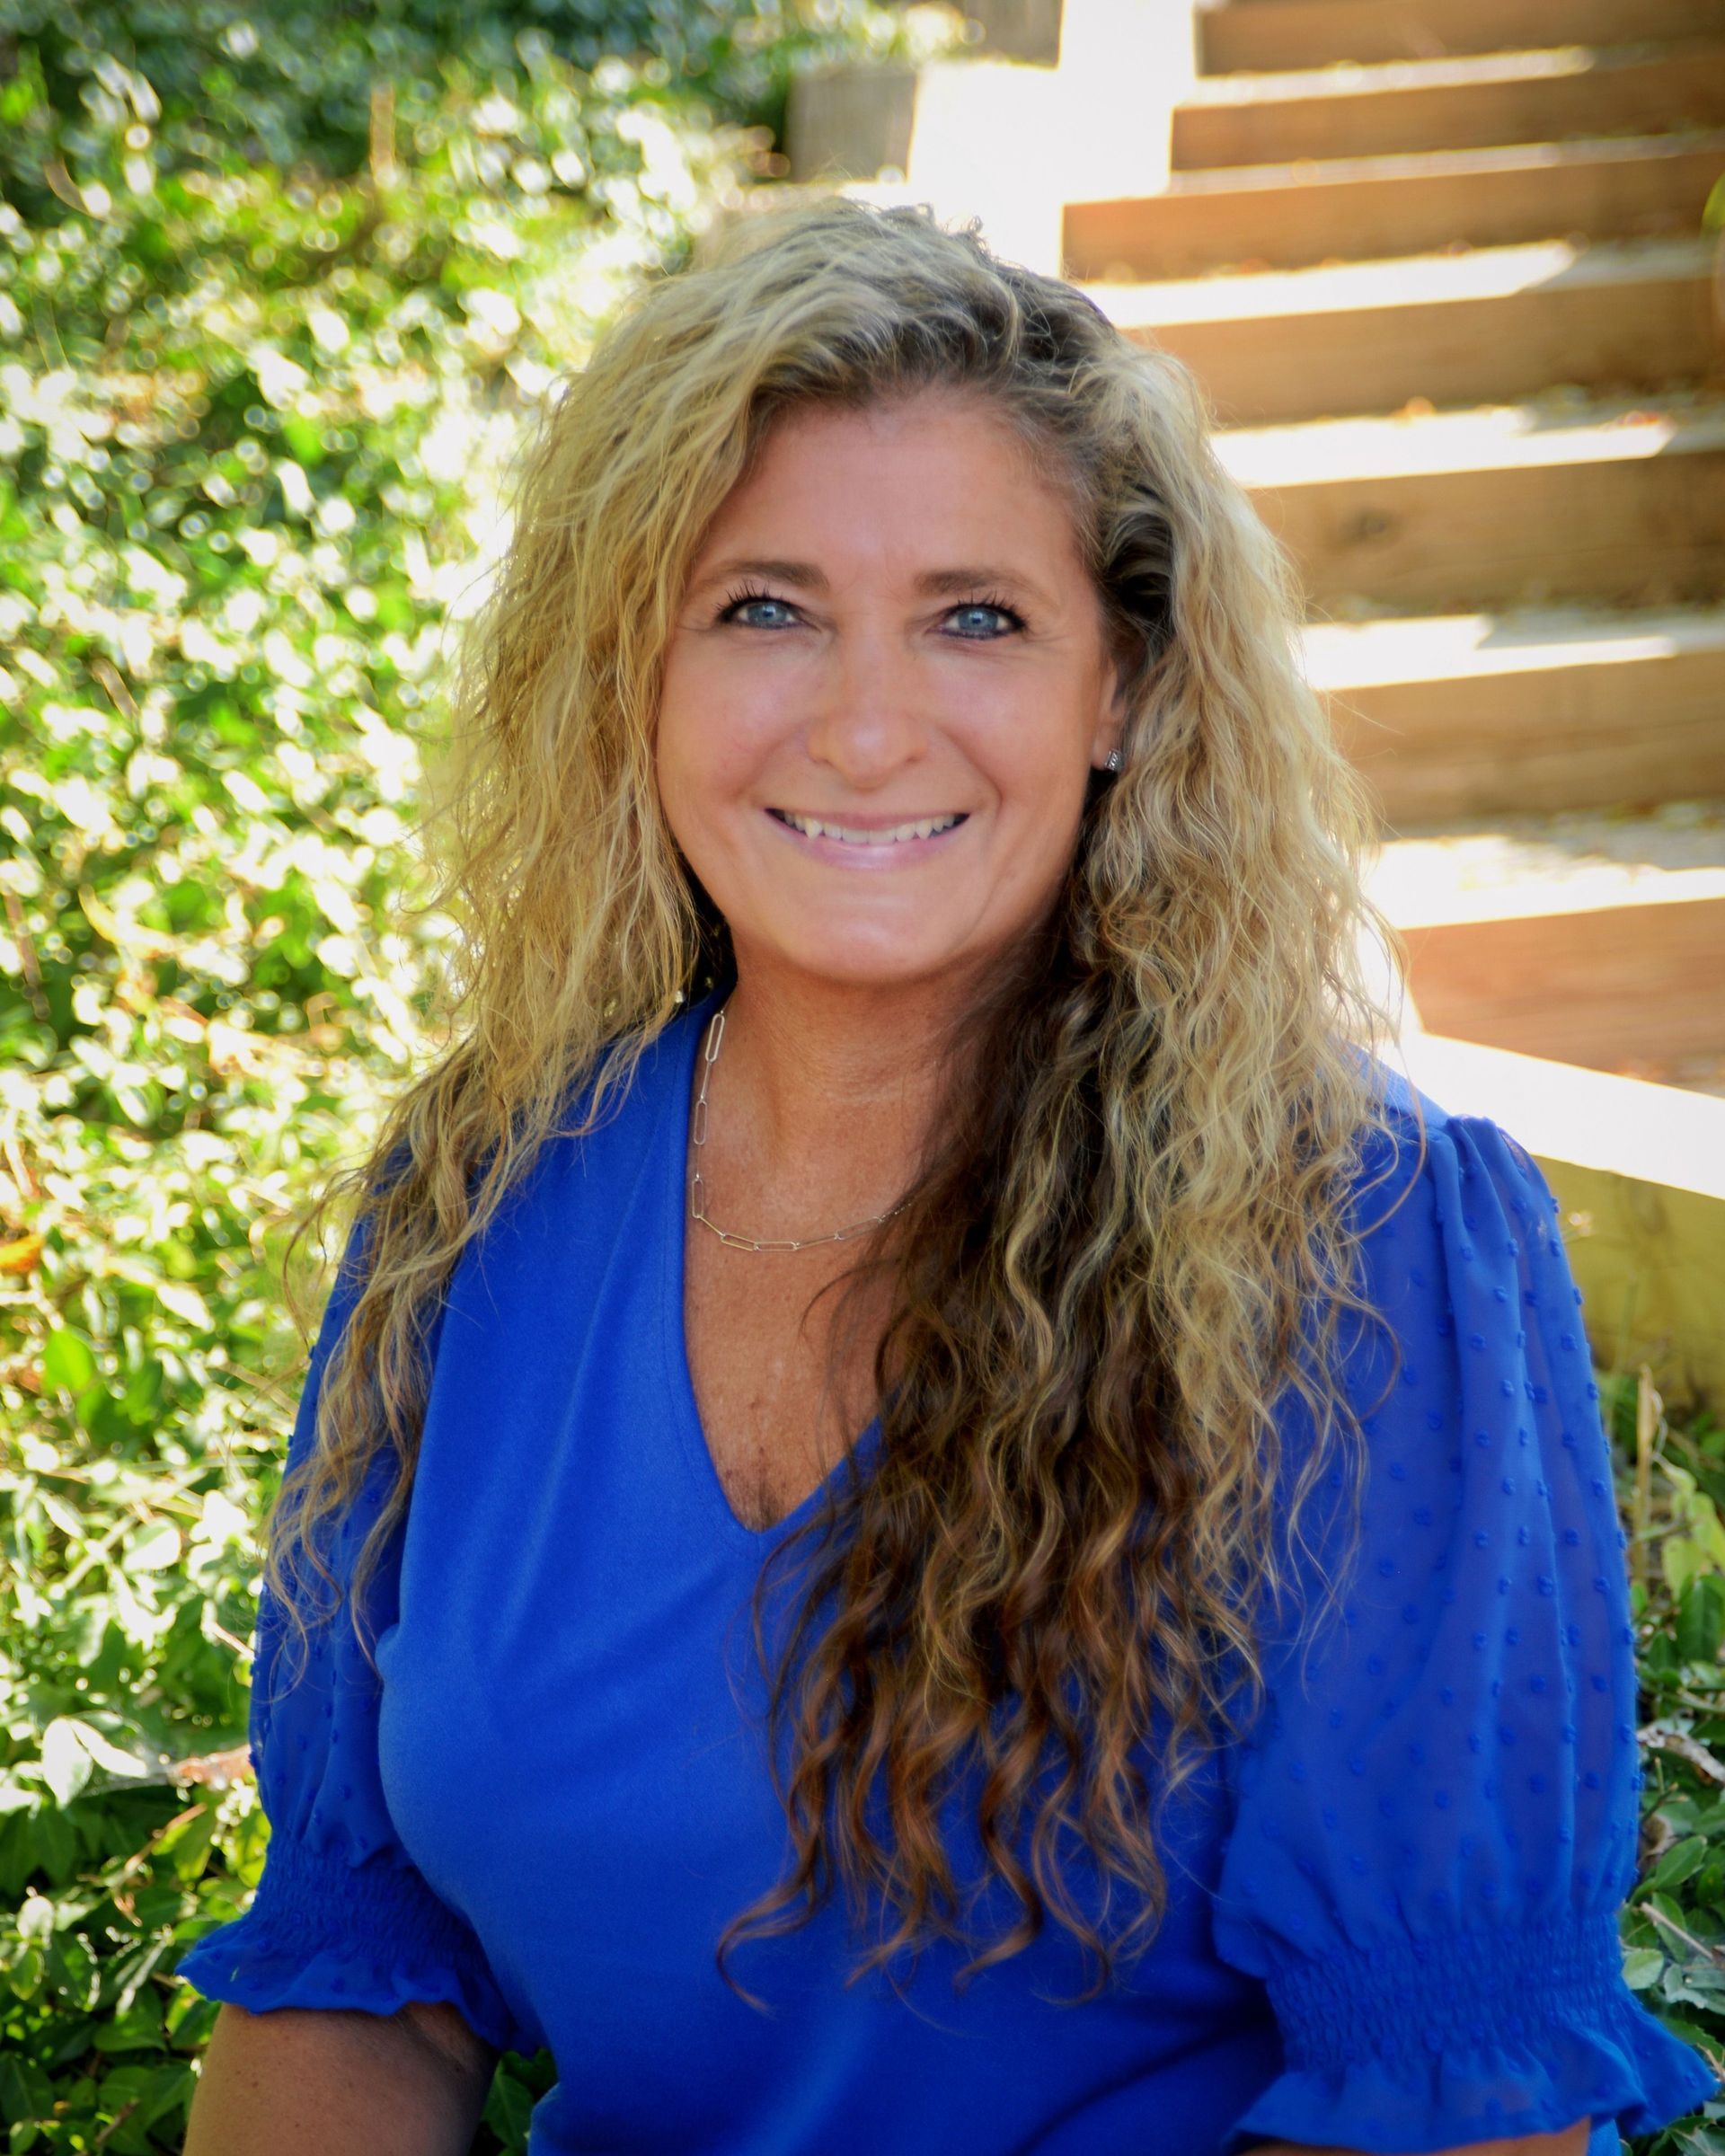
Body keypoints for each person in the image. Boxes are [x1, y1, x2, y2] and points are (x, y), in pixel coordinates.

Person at [177, 198, 1719, 2156]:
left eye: (977, 617)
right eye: (764, 607)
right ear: (630, 671)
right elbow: (357, 1972)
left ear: (1126, 690)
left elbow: (1456, 2107)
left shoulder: (1369, 1241)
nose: (869, 722)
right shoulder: (481, 1189)